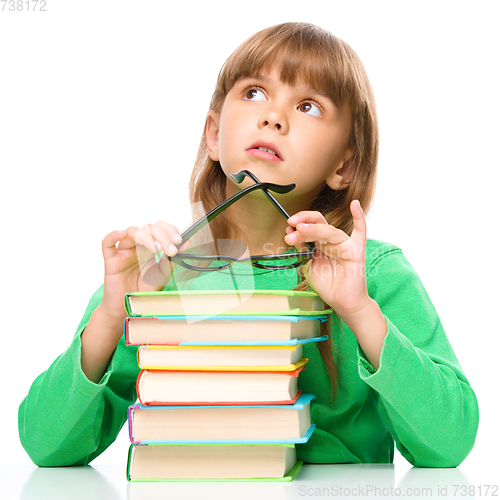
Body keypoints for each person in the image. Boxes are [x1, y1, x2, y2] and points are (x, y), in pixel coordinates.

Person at [18, 22, 478, 468]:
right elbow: (46, 448)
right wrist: (110, 317)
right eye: (254, 92)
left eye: (309, 106)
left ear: (346, 165)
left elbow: (448, 445)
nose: (273, 116)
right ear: (214, 135)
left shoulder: (372, 274)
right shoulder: (158, 273)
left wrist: (359, 311)